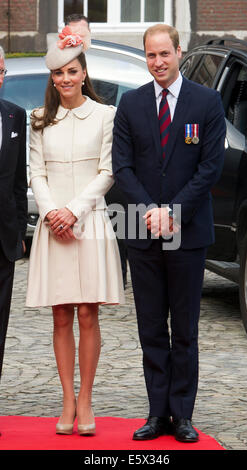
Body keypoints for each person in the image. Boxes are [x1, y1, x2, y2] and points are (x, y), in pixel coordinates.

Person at [112, 24, 226, 443]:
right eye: (150, 55)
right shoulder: (132, 103)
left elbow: (209, 167)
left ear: (179, 52)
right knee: (151, 329)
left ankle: (182, 415)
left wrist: (173, 212)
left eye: (164, 54)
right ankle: (156, 413)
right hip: (143, 234)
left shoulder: (207, 102)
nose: (157, 62)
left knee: (185, 328)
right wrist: (149, 211)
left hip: (188, 232)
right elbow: (122, 166)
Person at [26, 27, 124, 436]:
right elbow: (37, 173)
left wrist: (74, 211)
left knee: (88, 312)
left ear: (84, 73)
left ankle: (86, 399)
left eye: (72, 71)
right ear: (52, 78)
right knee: (61, 314)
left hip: (90, 222)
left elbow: (108, 171)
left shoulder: (106, 116)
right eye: (58, 73)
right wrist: (52, 214)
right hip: (55, 226)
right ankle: (66, 398)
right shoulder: (38, 120)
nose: (65, 79)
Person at [65, 13, 128, 288]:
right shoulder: (63, 69)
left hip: (102, 155)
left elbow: (106, 106)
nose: (80, 42)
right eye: (74, 36)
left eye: (84, 36)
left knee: (116, 220)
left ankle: (114, 275)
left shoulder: (104, 70)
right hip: (71, 160)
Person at [0, 45, 27, 436]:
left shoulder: (14, 115)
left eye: (1, 69)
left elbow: (18, 183)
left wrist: (20, 231)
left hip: (2, 242)